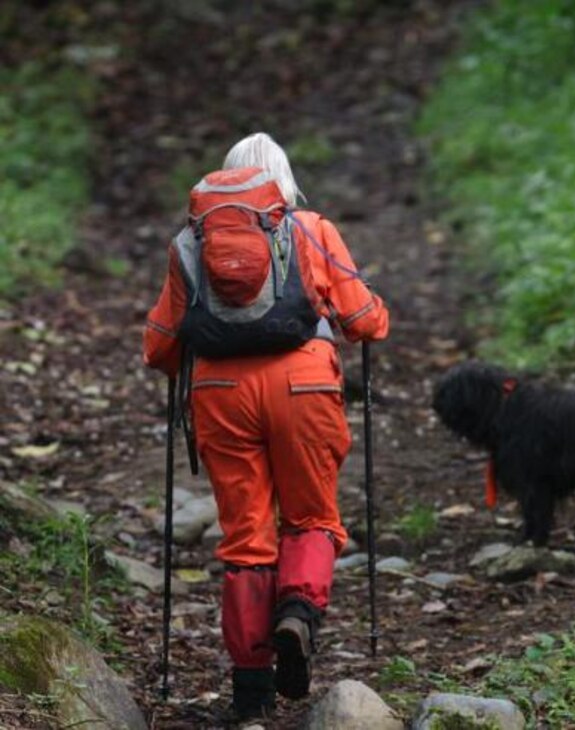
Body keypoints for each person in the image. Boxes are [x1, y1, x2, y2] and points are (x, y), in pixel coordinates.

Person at [143, 132, 389, 723]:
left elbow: (161, 348)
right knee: (311, 518)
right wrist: (376, 313)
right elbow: (361, 320)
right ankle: (298, 616)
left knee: (246, 540)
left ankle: (250, 695)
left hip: (221, 395)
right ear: (281, 182)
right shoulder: (310, 228)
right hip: (303, 386)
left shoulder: (189, 244)